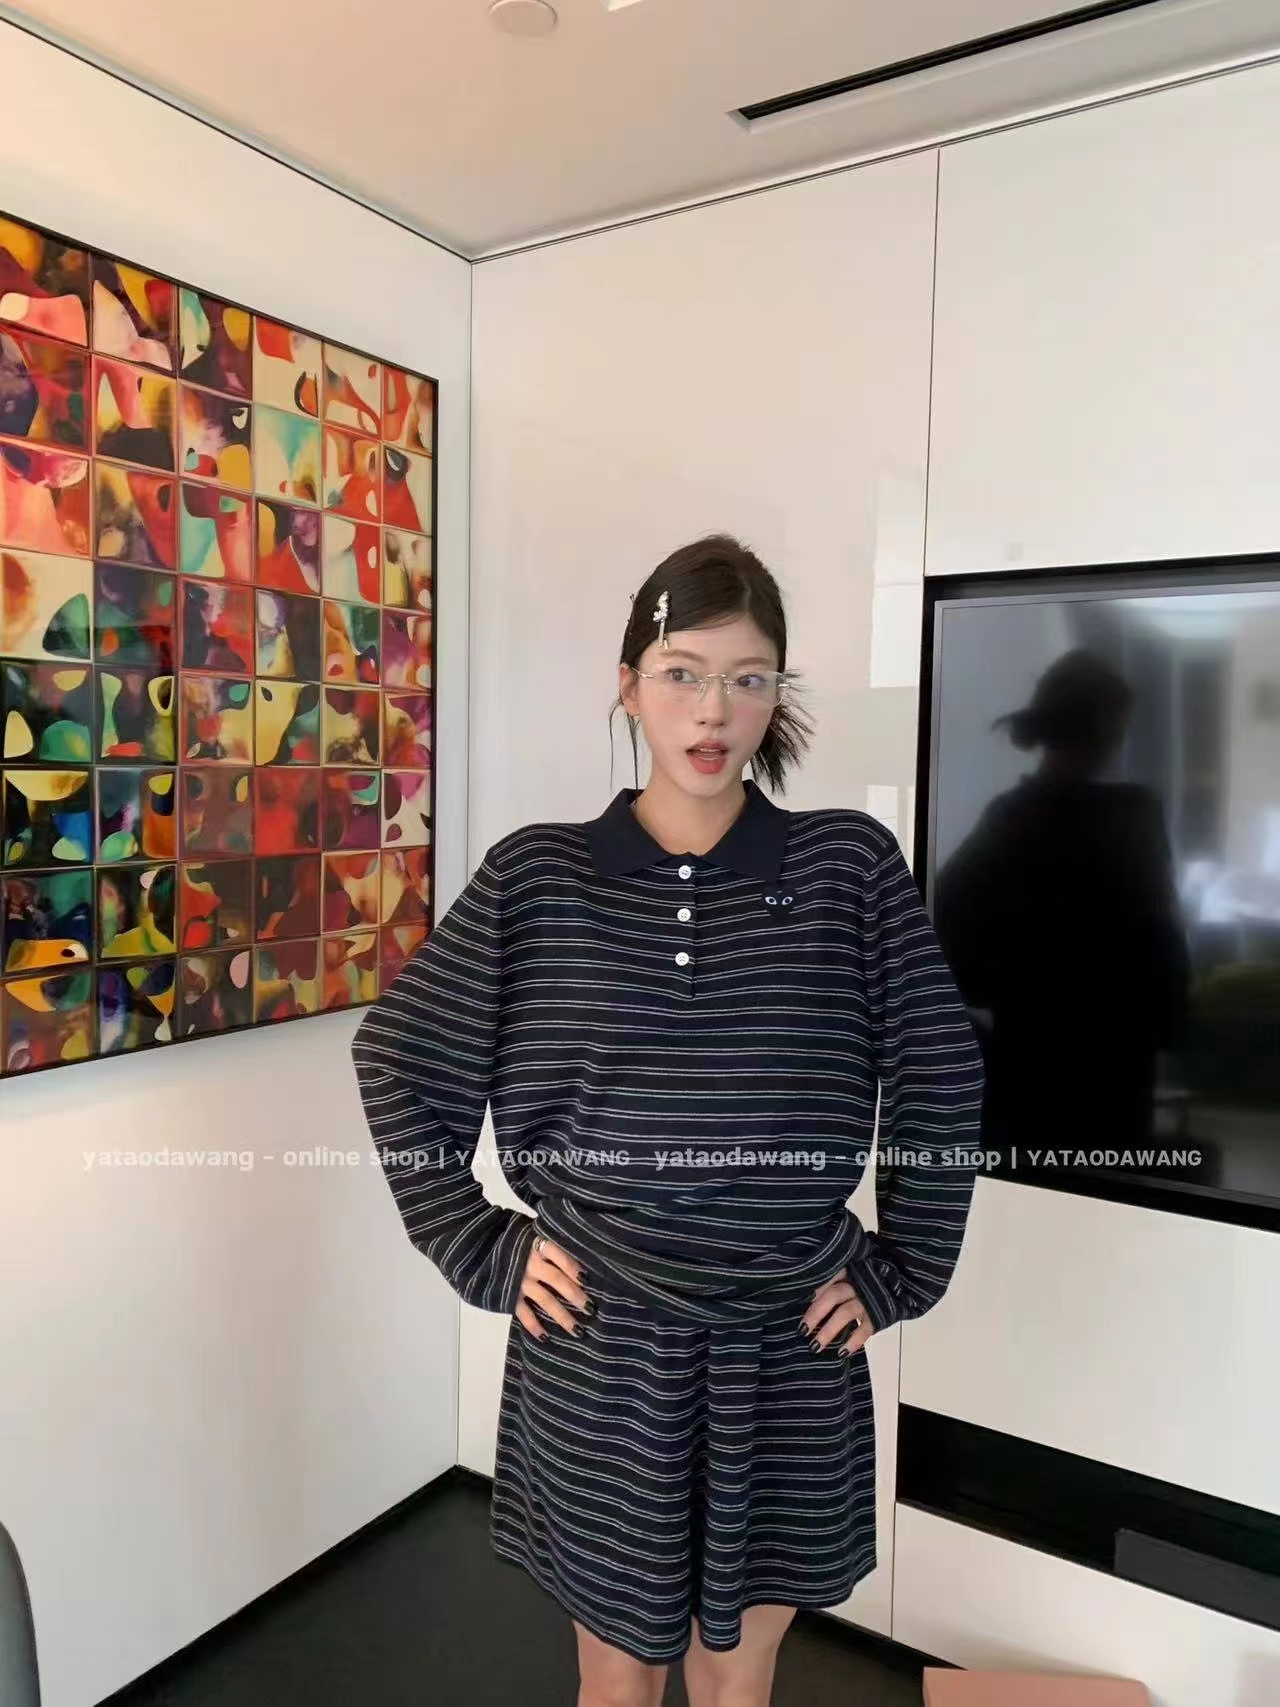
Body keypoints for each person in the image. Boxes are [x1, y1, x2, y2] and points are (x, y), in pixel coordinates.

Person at [351, 534, 984, 1707]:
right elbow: (398, 1053)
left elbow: (939, 1068)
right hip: (601, 1347)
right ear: (629, 684)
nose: (713, 711)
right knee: (618, 1681)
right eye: (682, 673)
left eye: (747, 678)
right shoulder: (538, 877)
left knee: (738, 1679)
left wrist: (905, 1267)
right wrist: (477, 1242)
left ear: (776, 694)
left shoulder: (846, 868)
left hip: (788, 1339)